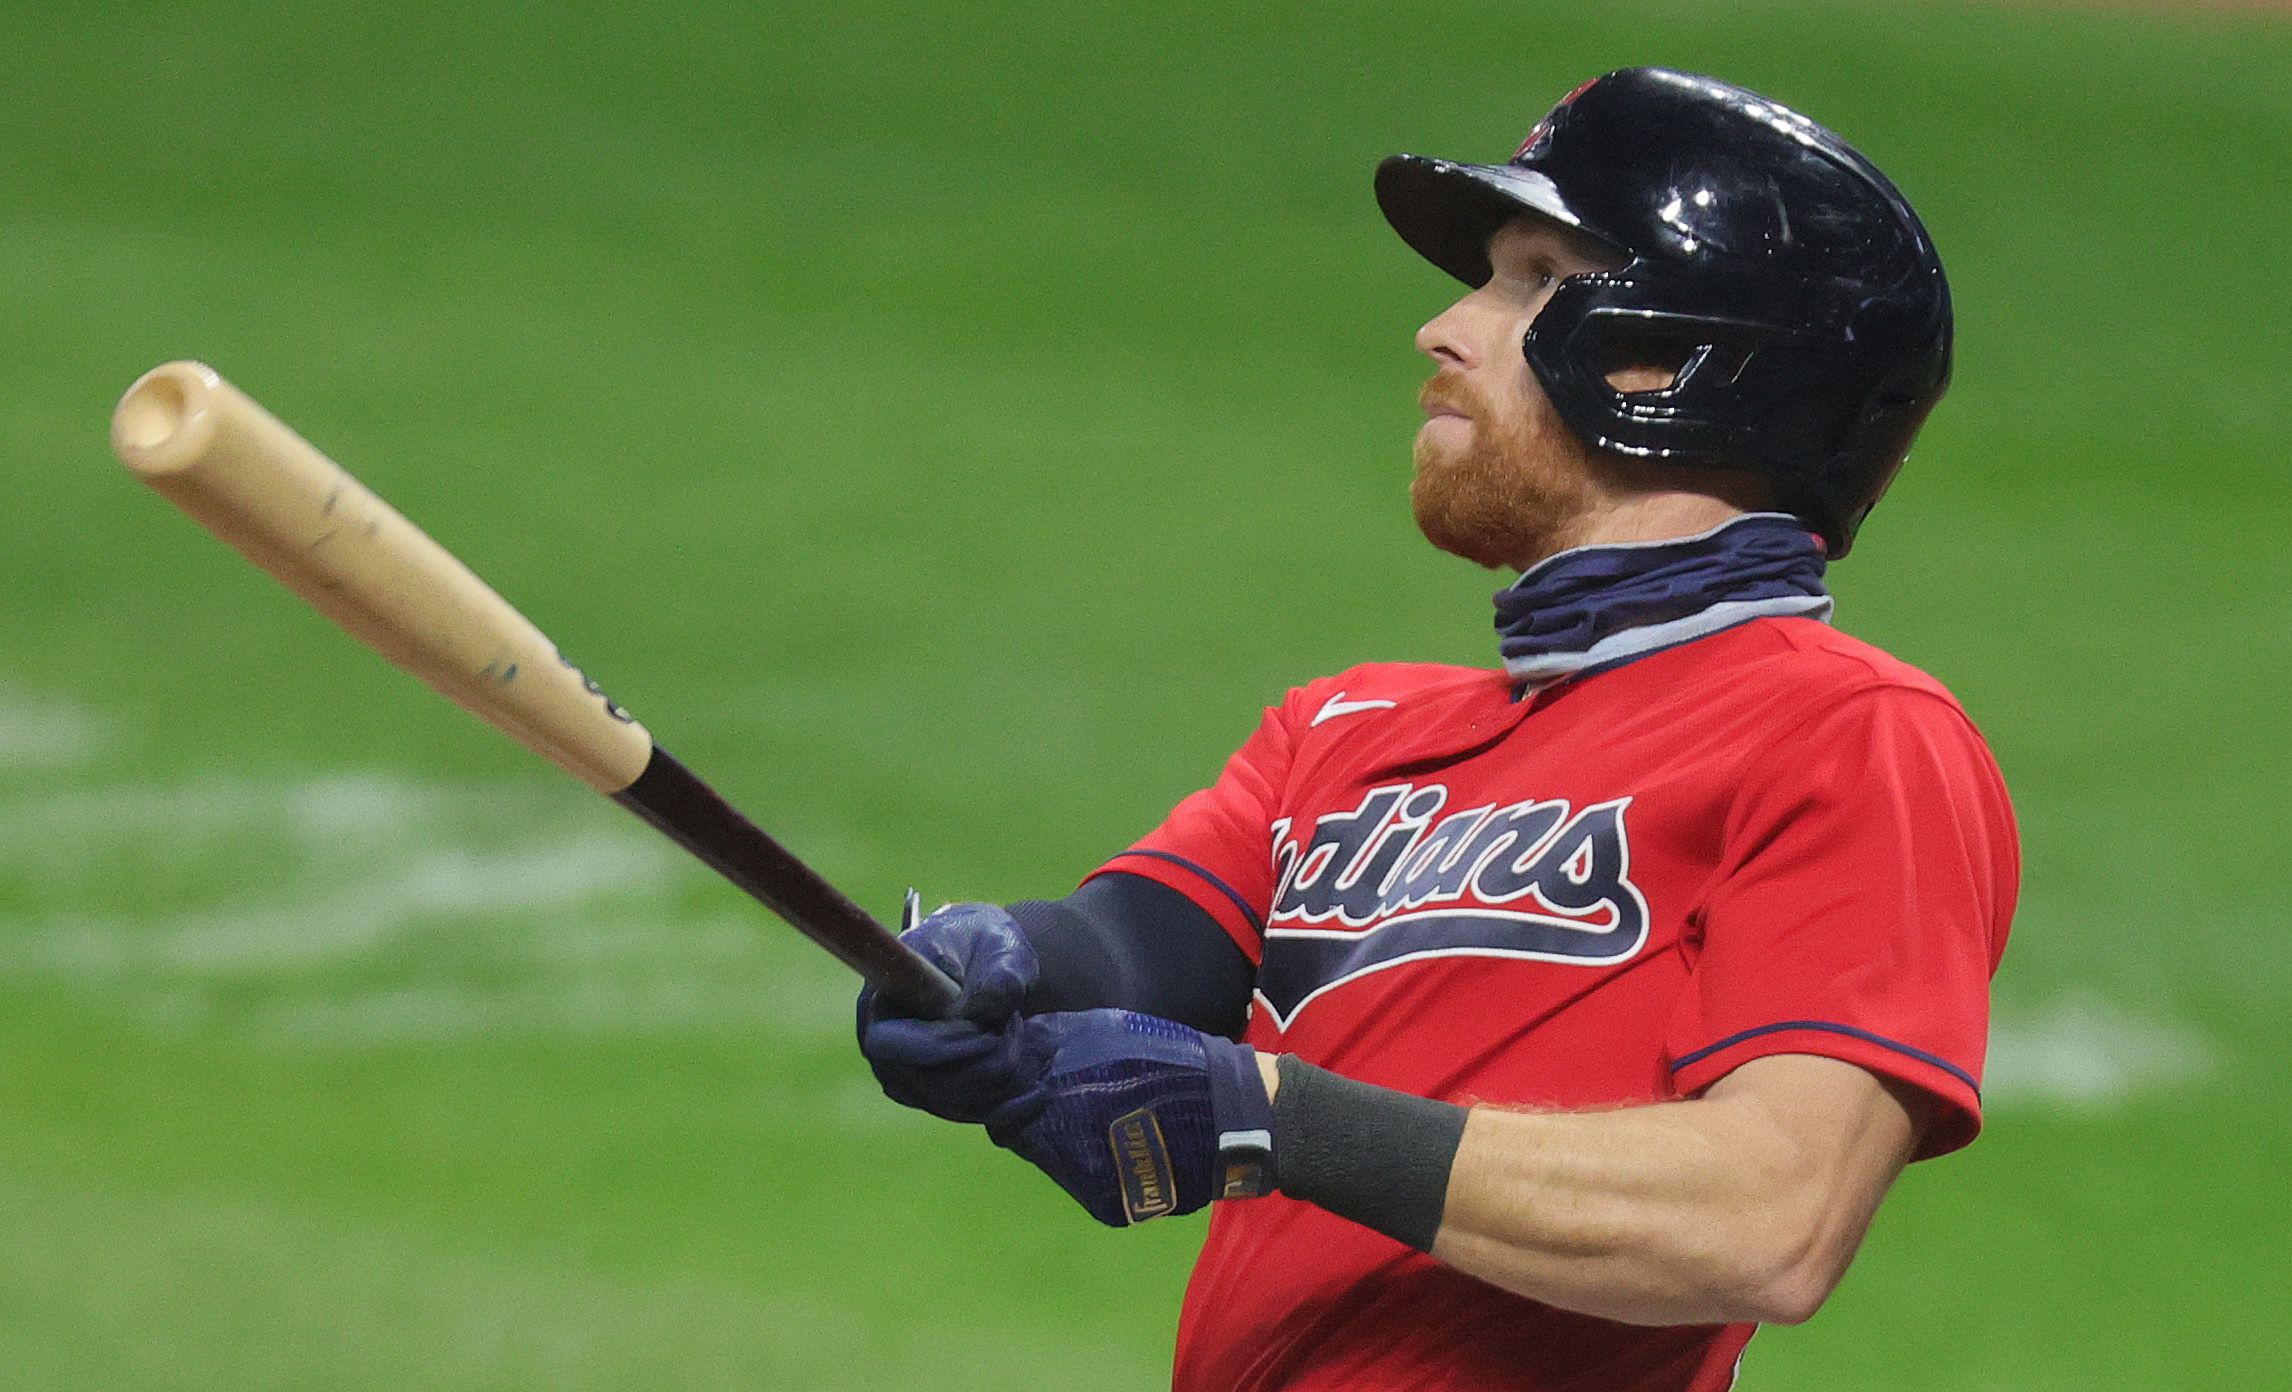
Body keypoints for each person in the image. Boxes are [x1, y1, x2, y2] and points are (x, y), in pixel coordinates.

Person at [856, 66, 2018, 1392]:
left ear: (1682, 357)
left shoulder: (1851, 735)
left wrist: (1273, 1121)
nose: (1442, 328)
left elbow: (1770, 1222)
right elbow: (1131, 951)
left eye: (1530, 280)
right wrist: (1003, 967)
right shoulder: (1346, 730)